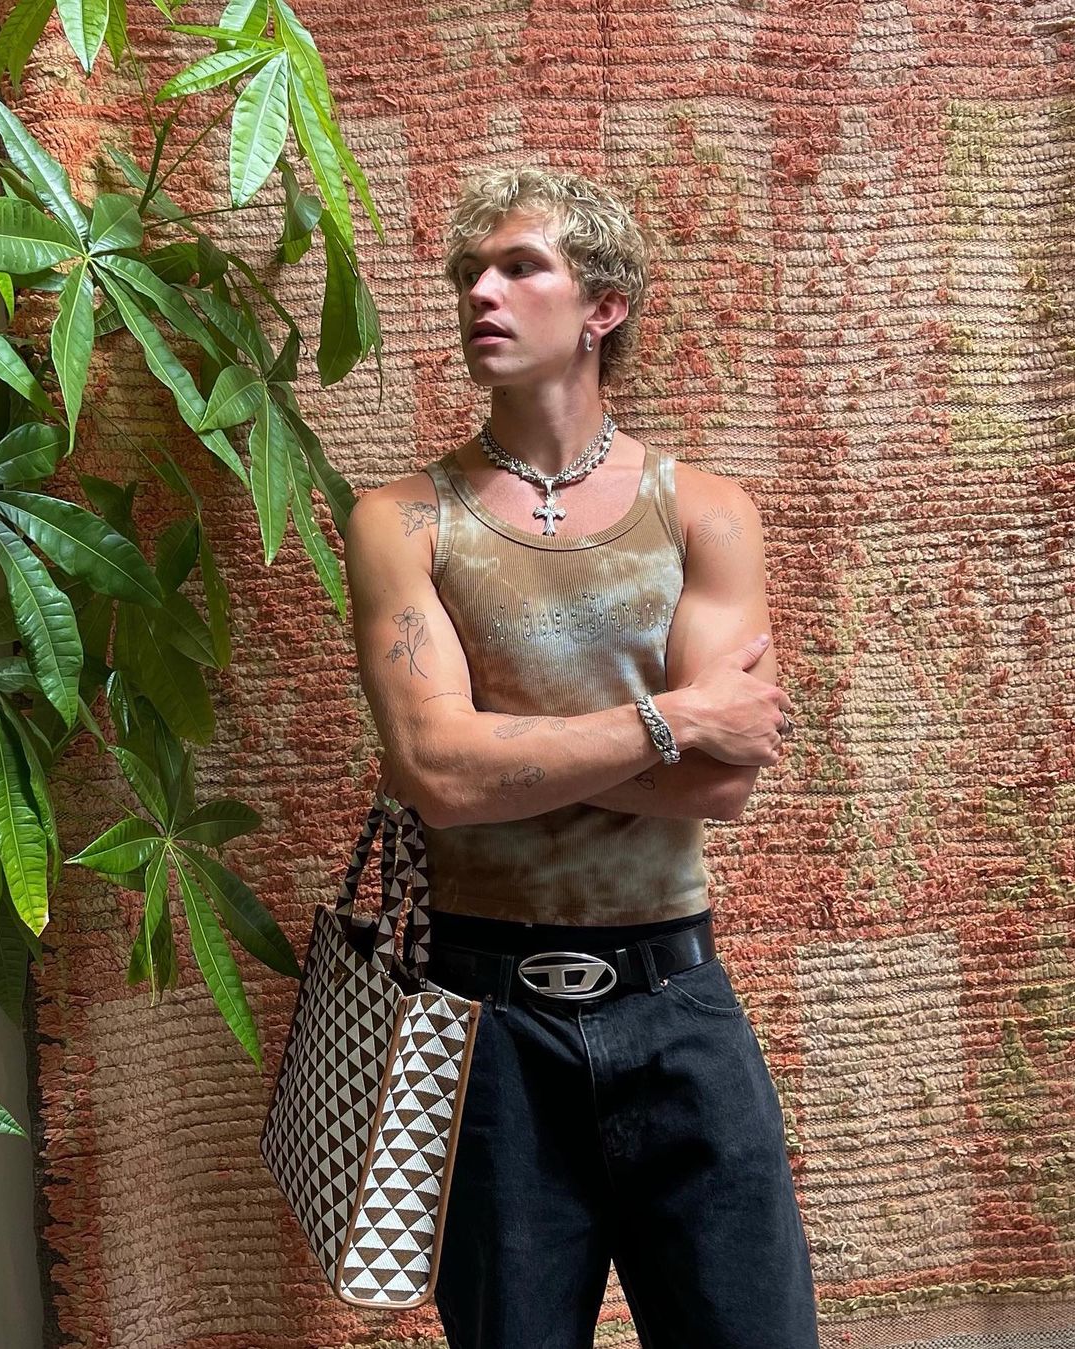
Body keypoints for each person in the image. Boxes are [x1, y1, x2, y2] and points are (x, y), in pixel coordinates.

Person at [342, 165, 820, 1349]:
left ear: (604, 305)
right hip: (484, 1027)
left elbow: (725, 780)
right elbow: (438, 775)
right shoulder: (401, 519)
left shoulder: (706, 510)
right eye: (470, 272)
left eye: (520, 267)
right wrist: (672, 718)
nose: (481, 293)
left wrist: (497, 745)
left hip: (676, 1003)